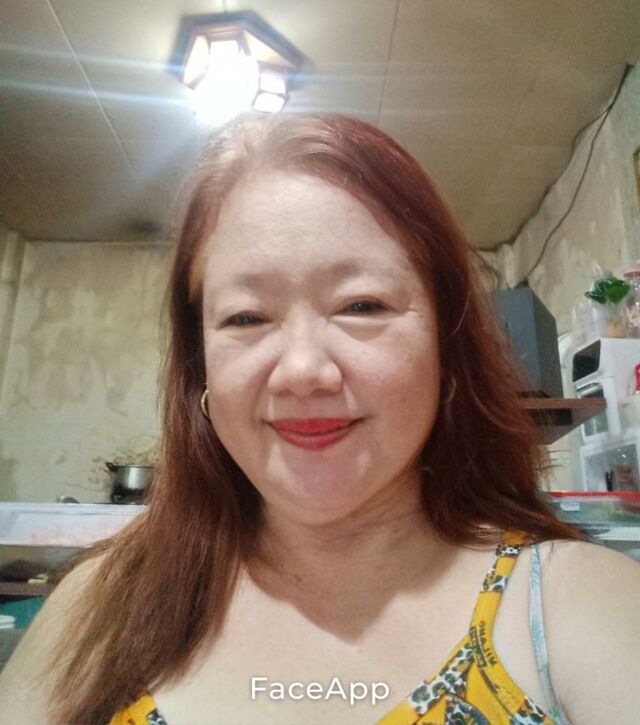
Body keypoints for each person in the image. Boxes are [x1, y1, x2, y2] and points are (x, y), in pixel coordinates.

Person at [1, 114, 639, 725]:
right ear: (201, 368)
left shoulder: (572, 604)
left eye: (362, 306)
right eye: (247, 317)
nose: (302, 370)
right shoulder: (97, 610)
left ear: (446, 348)